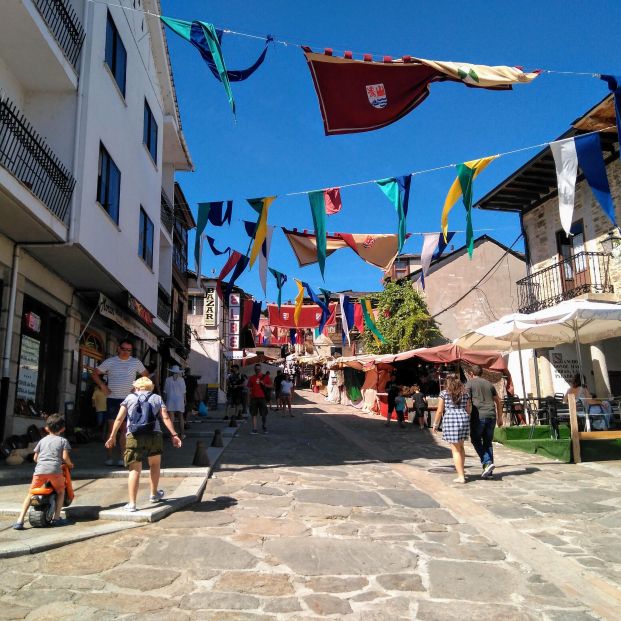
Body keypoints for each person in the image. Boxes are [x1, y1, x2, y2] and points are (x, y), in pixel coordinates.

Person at [105, 377, 182, 512]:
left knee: (134, 469)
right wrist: (174, 435)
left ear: (136, 387)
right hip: (154, 434)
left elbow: (119, 418)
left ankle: (132, 504)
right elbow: (165, 417)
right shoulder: (157, 398)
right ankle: (154, 494)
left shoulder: (129, 398)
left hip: (134, 435)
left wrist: (112, 436)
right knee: (155, 464)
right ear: (150, 387)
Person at [93, 340, 149, 466]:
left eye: (129, 350)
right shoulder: (111, 361)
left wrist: (138, 387)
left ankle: (122, 457)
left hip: (129, 400)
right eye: (124, 349)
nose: (126, 352)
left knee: (124, 430)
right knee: (112, 428)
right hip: (113, 399)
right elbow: (95, 373)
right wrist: (102, 386)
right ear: (118, 348)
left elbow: (146, 375)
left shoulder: (135, 362)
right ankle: (109, 456)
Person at [13, 414, 74, 530]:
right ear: (63, 429)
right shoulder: (63, 441)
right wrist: (70, 464)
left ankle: (20, 521)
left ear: (47, 428)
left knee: (31, 494)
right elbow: (65, 458)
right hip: (55, 471)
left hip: (39, 471)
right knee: (61, 492)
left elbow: (35, 458)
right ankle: (56, 518)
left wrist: (43, 464)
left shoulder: (42, 441)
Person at [432, 373, 472, 484]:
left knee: (455, 450)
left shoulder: (444, 393)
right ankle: (461, 472)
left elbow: (440, 410)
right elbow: (468, 409)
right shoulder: (465, 393)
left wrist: (435, 425)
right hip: (463, 418)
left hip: (451, 419)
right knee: (461, 447)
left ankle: (461, 476)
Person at [465, 365, 503, 479]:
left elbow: (466, 400)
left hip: (478, 416)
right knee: (488, 442)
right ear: (482, 373)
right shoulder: (489, 384)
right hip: (491, 415)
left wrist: (466, 414)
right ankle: (488, 472)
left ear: (471, 373)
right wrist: (500, 417)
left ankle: (487, 462)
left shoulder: (469, 384)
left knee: (476, 440)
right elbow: (498, 401)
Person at [163, 365, 186, 438]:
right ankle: (182, 434)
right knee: (181, 417)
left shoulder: (168, 379)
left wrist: (165, 399)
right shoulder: (181, 379)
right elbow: (184, 391)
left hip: (170, 399)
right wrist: (185, 400)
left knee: (171, 418)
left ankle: (173, 435)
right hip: (179, 399)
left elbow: (165, 391)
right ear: (179, 372)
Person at [248, 364, 269, 434]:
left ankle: (264, 425)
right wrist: (248, 399)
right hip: (254, 398)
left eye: (258, 369)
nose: (257, 370)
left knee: (263, 414)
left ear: (261, 369)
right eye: (256, 369)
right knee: (254, 414)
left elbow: (271, 385)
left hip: (262, 398)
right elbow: (249, 388)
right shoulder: (251, 378)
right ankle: (254, 428)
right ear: (254, 369)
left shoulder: (265, 377)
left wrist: (265, 384)